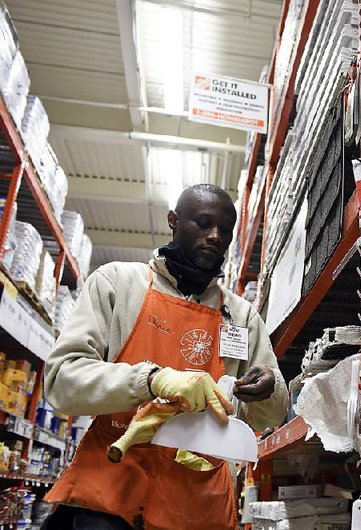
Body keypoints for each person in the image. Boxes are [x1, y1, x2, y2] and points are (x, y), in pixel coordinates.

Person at [41, 184, 289, 530]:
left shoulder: (242, 317)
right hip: (111, 491)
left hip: (197, 505)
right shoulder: (117, 283)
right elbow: (61, 383)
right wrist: (150, 380)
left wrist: (269, 389)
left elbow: (270, 415)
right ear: (174, 220)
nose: (215, 236)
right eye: (203, 223)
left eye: (225, 230)